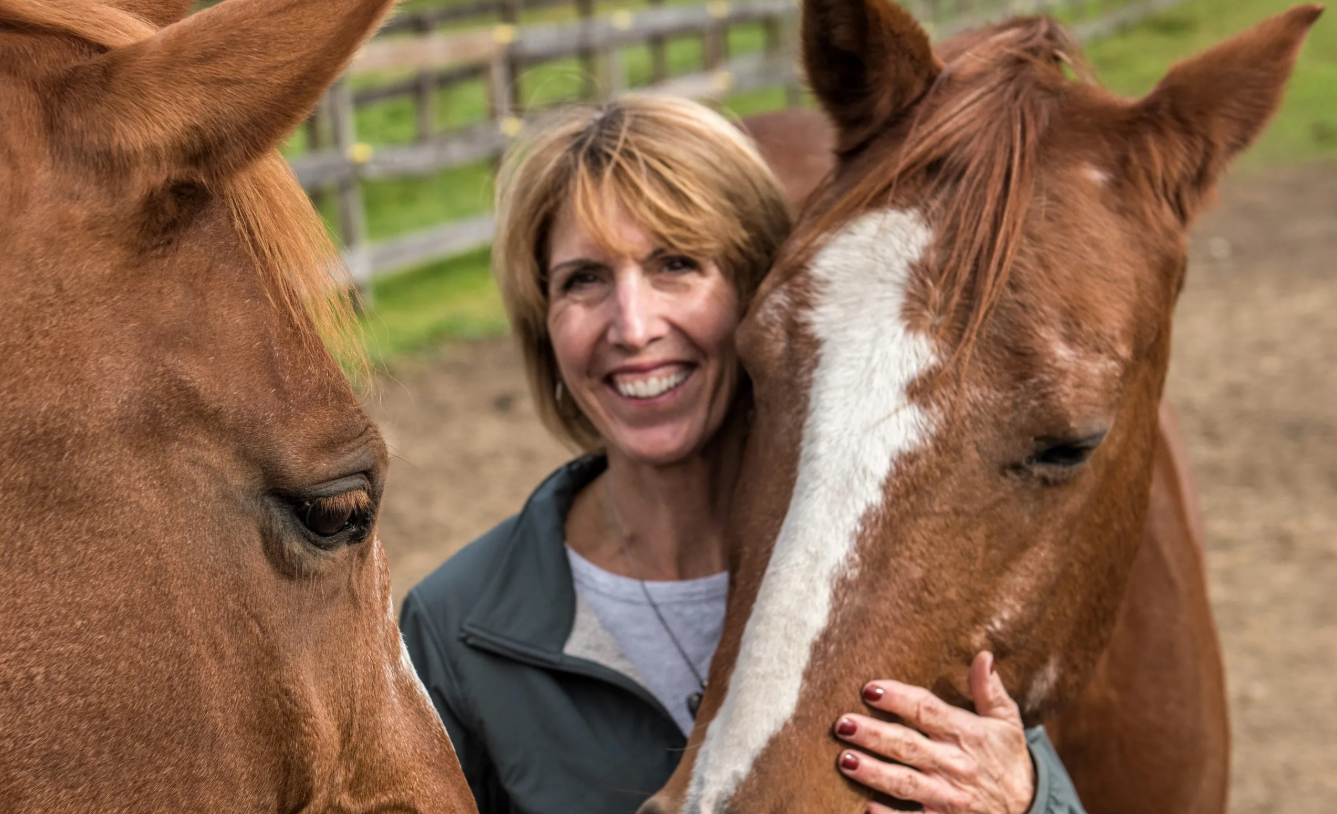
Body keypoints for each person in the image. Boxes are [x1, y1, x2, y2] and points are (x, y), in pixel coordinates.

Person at [400, 96, 1086, 814]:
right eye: (583, 280)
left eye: (675, 264)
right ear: (544, 325)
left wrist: (1025, 800)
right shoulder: (454, 634)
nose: (631, 327)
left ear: (758, 296)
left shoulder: (890, 560)